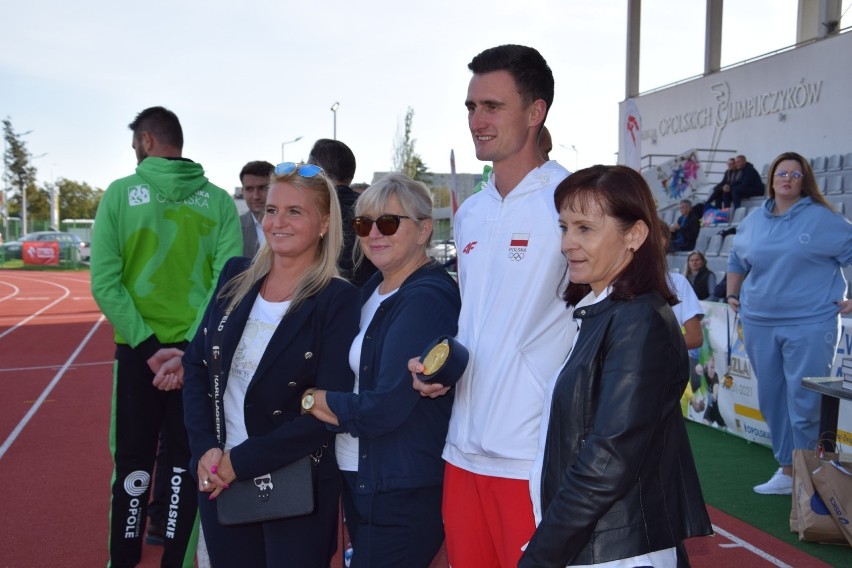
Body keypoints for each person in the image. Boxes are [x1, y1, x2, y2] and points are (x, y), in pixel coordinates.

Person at [415, 44, 574, 568]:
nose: (477, 121)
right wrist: (442, 365)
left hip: (531, 448)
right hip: (462, 442)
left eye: (492, 106)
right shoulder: (473, 213)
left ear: (535, 112)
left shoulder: (571, 203)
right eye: (470, 107)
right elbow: (478, 319)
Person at [519, 165, 712, 567]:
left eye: (584, 228)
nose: (567, 243)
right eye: (564, 227)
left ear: (635, 236)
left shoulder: (638, 320)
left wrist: (541, 555)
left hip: (619, 554)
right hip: (599, 545)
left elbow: (607, 459)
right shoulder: (603, 312)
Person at [181, 162, 360, 566]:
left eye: (295, 212)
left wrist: (238, 463)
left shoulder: (338, 300)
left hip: (295, 487)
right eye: (272, 210)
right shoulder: (235, 275)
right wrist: (205, 450)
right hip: (219, 480)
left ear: (325, 224)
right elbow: (196, 369)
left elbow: (326, 410)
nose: (277, 222)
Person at [90, 106, 243, 568]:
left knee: (132, 466)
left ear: (148, 141)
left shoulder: (119, 194)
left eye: (136, 142)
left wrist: (149, 348)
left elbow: (104, 281)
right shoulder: (219, 202)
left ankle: (123, 560)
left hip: (141, 359)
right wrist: (186, 350)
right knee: (187, 465)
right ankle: (174, 561)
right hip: (198, 360)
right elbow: (228, 283)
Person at [304, 173, 461, 568]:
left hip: (399, 484)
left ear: (424, 229)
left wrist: (312, 400)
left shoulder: (425, 298)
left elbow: (385, 407)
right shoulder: (372, 289)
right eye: (363, 224)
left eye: (389, 222)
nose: (374, 233)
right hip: (364, 473)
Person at [727, 151, 852, 495]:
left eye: (795, 175)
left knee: (805, 400)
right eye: (782, 173)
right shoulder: (754, 220)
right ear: (771, 179)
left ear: (805, 180)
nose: (787, 179)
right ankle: (786, 469)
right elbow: (736, 257)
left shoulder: (822, 218)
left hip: (810, 322)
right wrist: (732, 295)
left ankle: (809, 473)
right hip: (758, 321)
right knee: (772, 398)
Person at [308, 138, 377, 287]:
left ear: (317, 172)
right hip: (369, 297)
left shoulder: (310, 211)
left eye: (307, 170)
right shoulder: (374, 210)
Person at [238, 160, 274, 257]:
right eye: (249, 189)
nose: (256, 196)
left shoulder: (293, 224)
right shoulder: (234, 227)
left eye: (263, 188)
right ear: (243, 191)